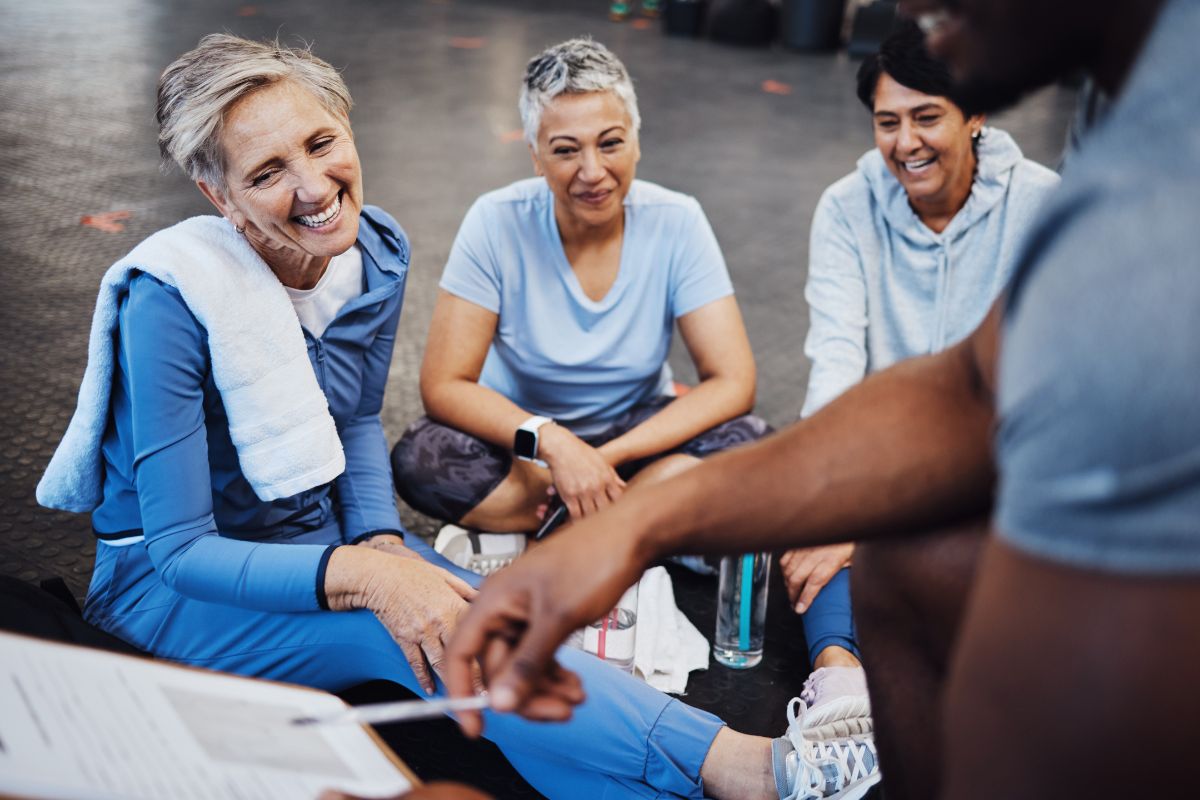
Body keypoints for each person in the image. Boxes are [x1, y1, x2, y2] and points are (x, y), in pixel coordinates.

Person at [35, 33, 825, 800]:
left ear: (348, 128)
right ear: (218, 194)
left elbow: (350, 423)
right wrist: (372, 574)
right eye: (268, 170)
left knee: (490, 625)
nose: (313, 186)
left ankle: (706, 781)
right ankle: (749, 767)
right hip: (182, 592)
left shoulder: (373, 255)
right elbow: (179, 552)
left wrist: (380, 534)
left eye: (320, 143)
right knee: (437, 636)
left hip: (324, 535)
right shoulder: (169, 300)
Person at [445, 0, 1200, 798]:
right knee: (902, 563)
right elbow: (965, 389)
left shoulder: (1136, 168)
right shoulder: (1123, 115)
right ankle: (846, 686)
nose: (907, 14)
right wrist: (635, 527)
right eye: (887, 118)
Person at [391, 38, 769, 576]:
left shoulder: (678, 220)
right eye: (566, 150)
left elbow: (733, 381)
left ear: (637, 142)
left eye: (610, 144)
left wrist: (601, 461)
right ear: (535, 156)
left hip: (634, 443)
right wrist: (556, 445)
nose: (592, 171)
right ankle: (632, 522)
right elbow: (445, 385)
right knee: (421, 458)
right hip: (527, 456)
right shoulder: (495, 222)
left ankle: (571, 526)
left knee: (753, 447)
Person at [779, 20, 1059, 737]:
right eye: (887, 122)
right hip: (876, 449)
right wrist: (839, 501)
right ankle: (839, 681)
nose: (906, 143)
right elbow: (835, 363)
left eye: (928, 116)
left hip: (993, 460)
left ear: (976, 115)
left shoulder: (1040, 207)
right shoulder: (847, 208)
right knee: (799, 508)